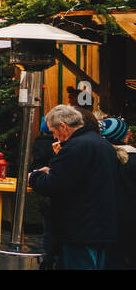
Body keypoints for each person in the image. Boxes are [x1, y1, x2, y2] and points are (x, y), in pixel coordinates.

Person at [27, 103, 121, 269]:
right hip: (102, 226)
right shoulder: (103, 144)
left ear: (63, 126)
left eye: (54, 132)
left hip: (81, 228)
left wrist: (35, 176)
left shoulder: (75, 147)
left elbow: (53, 185)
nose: (55, 137)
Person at [100, 116, 136, 268]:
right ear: (126, 135)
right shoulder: (133, 158)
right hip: (130, 216)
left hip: (106, 219)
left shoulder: (102, 156)